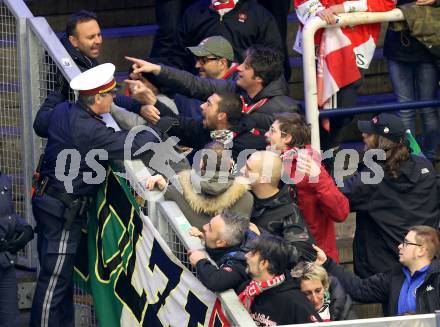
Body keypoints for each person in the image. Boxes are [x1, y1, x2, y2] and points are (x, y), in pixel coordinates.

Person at [30, 64, 161, 327]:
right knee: (53, 284)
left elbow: (40, 122)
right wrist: (155, 129)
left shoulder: (64, 110)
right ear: (98, 98)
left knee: (59, 280)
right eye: (111, 94)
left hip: (48, 202)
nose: (114, 98)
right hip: (63, 213)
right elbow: (133, 145)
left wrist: (57, 92)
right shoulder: (89, 131)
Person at [341, 113, 439, 278]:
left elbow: (337, 200)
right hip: (425, 264)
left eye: (370, 133)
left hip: (386, 274)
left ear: (381, 141)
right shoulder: (425, 167)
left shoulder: (371, 179)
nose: (363, 135)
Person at [126, 45, 299, 131]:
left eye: (245, 67)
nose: (238, 68)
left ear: (259, 78)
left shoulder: (286, 109)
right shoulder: (235, 90)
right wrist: (158, 69)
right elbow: (195, 84)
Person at [265, 113, 350, 262]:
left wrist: (321, 180)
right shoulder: (273, 162)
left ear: (287, 138)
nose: (266, 135)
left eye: (272, 131)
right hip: (286, 252)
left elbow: (341, 213)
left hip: (315, 257)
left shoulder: (308, 165)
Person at [315, 225, 440, 316]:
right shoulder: (394, 277)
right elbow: (359, 289)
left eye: (406, 243)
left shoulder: (437, 278)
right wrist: (327, 263)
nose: (400, 246)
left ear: (421, 250)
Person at [54, 10, 149, 119]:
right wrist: (139, 108)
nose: (98, 41)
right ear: (73, 41)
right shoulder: (68, 65)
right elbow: (107, 93)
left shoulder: (84, 54)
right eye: (91, 37)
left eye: (99, 35)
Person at [158, 0, 285, 75]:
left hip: (243, 92)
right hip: (198, 91)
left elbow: (273, 58)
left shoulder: (259, 15)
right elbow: (178, 55)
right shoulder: (193, 13)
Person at [146, 141, 254, 229]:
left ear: (201, 163)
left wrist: (162, 183)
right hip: (215, 254)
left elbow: (166, 191)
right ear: (230, 165)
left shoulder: (178, 186)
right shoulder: (246, 198)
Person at [384, 0, 439, 165]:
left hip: (426, 46)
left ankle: (421, 160)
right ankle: (418, 160)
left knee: (420, 109)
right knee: (415, 109)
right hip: (402, 46)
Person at [240, 150, 316, 262]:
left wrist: (261, 240)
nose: (241, 170)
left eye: (248, 168)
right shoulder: (244, 200)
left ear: (264, 178)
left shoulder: (288, 211)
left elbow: (304, 255)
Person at [154, 92, 268, 162]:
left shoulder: (244, 147)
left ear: (221, 116)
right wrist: (154, 103)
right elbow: (181, 125)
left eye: (209, 104)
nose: (202, 106)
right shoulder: (210, 127)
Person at [238, 235, 322, 325]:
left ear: (264, 264)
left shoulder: (296, 303)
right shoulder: (246, 289)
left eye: (252, 253)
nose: (246, 256)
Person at [186, 210, 256, 292]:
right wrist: (205, 241)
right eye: (209, 223)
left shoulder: (242, 262)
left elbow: (215, 282)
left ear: (220, 243)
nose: (204, 227)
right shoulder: (235, 243)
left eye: (210, 228)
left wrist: (200, 261)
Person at [175, 35, 240, 119]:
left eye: (203, 60)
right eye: (196, 59)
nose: (197, 65)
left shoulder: (241, 87)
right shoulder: (186, 94)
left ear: (222, 63)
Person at [0, 171, 34, 326]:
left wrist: (25, 228)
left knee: (11, 320)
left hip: (6, 261)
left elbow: (9, 215)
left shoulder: (4, 178)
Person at [291, 261, 356, 321]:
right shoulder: (290, 311)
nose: (315, 299)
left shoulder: (343, 307)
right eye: (307, 293)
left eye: (318, 291)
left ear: (325, 287)